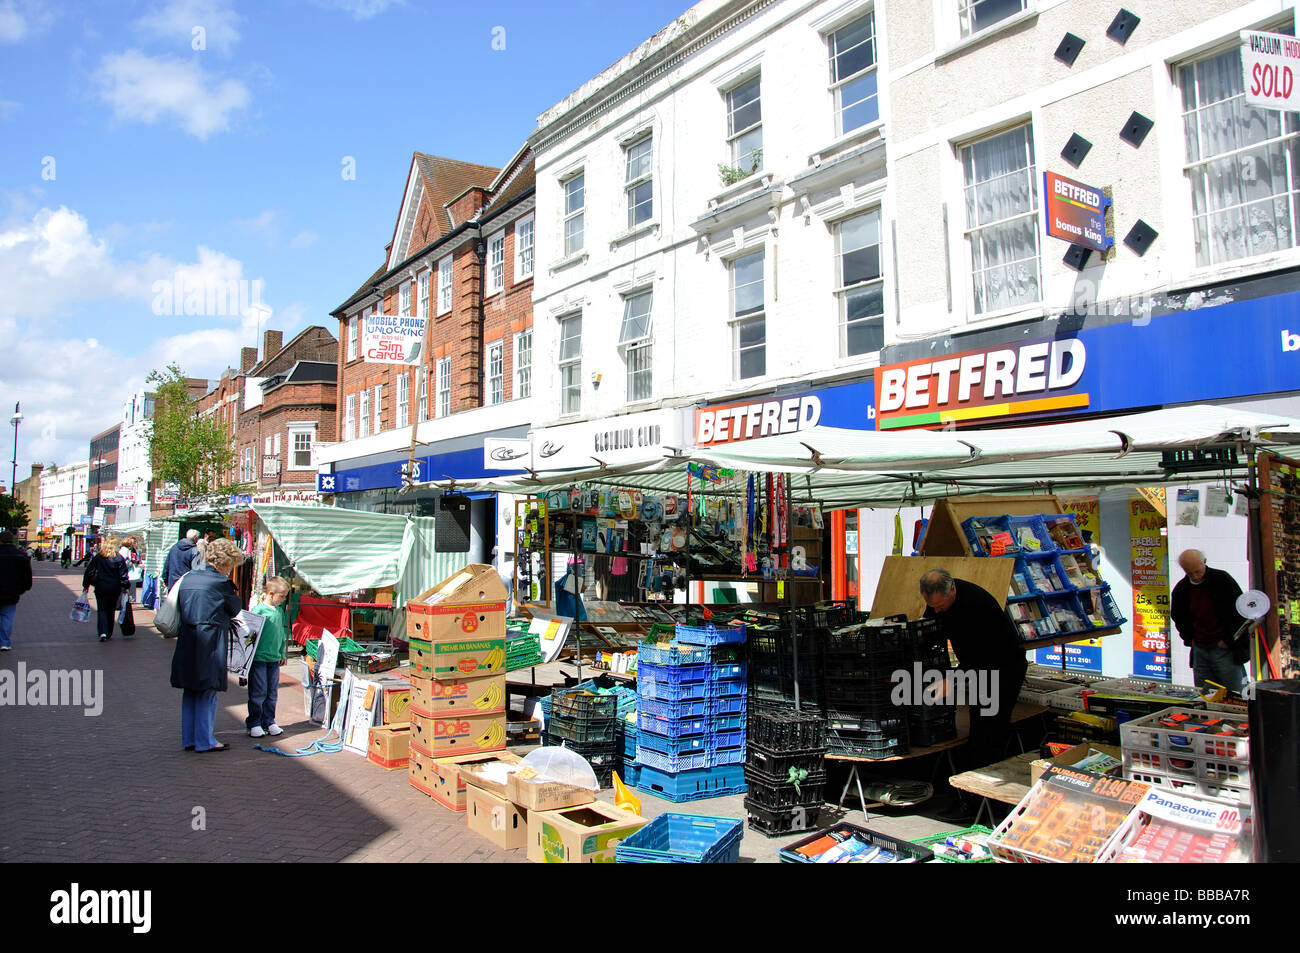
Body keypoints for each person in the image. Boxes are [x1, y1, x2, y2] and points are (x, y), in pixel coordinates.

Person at [921, 567, 1029, 819]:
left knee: (989, 732)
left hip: (1002, 669)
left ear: (953, 591)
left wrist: (954, 679)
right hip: (978, 668)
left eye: (940, 606)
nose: (937, 610)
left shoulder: (977, 606)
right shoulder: (939, 600)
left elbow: (985, 657)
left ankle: (989, 804)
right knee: (979, 729)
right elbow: (930, 629)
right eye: (932, 606)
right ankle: (974, 800)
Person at [171, 536, 244, 753]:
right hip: (209, 640)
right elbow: (235, 608)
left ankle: (190, 739)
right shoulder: (221, 583)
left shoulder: (189, 577)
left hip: (187, 638)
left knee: (191, 690)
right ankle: (205, 740)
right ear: (227, 562)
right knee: (206, 691)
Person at [1170, 550, 1248, 696]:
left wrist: (1228, 640)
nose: (1195, 576)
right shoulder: (1181, 589)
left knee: (1236, 693)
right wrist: (1189, 639)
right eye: (1190, 573)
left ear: (1204, 562)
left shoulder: (1222, 580)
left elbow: (1239, 611)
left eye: (1197, 571)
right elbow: (1178, 616)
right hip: (1200, 648)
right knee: (1206, 694)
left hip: (1224, 647)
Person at [246, 577, 290, 738]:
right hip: (259, 658)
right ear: (271, 593)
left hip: (273, 658)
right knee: (258, 691)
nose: (283, 599)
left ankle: (269, 721)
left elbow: (280, 633)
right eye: (282, 596)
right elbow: (249, 635)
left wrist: (281, 653)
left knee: (272, 692)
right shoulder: (258, 611)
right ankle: (254, 722)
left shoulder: (278, 611)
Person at [82, 535, 130, 643]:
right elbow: (123, 575)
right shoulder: (119, 558)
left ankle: (102, 631)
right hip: (114, 588)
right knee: (111, 609)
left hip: (101, 586)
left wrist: (86, 585)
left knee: (102, 609)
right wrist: (126, 587)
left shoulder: (99, 557)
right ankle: (109, 632)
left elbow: (89, 571)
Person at [0, 530, 34, 652]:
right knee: (7, 617)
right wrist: (24, 588)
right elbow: (27, 575)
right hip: (12, 592)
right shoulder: (20, 555)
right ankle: (4, 642)